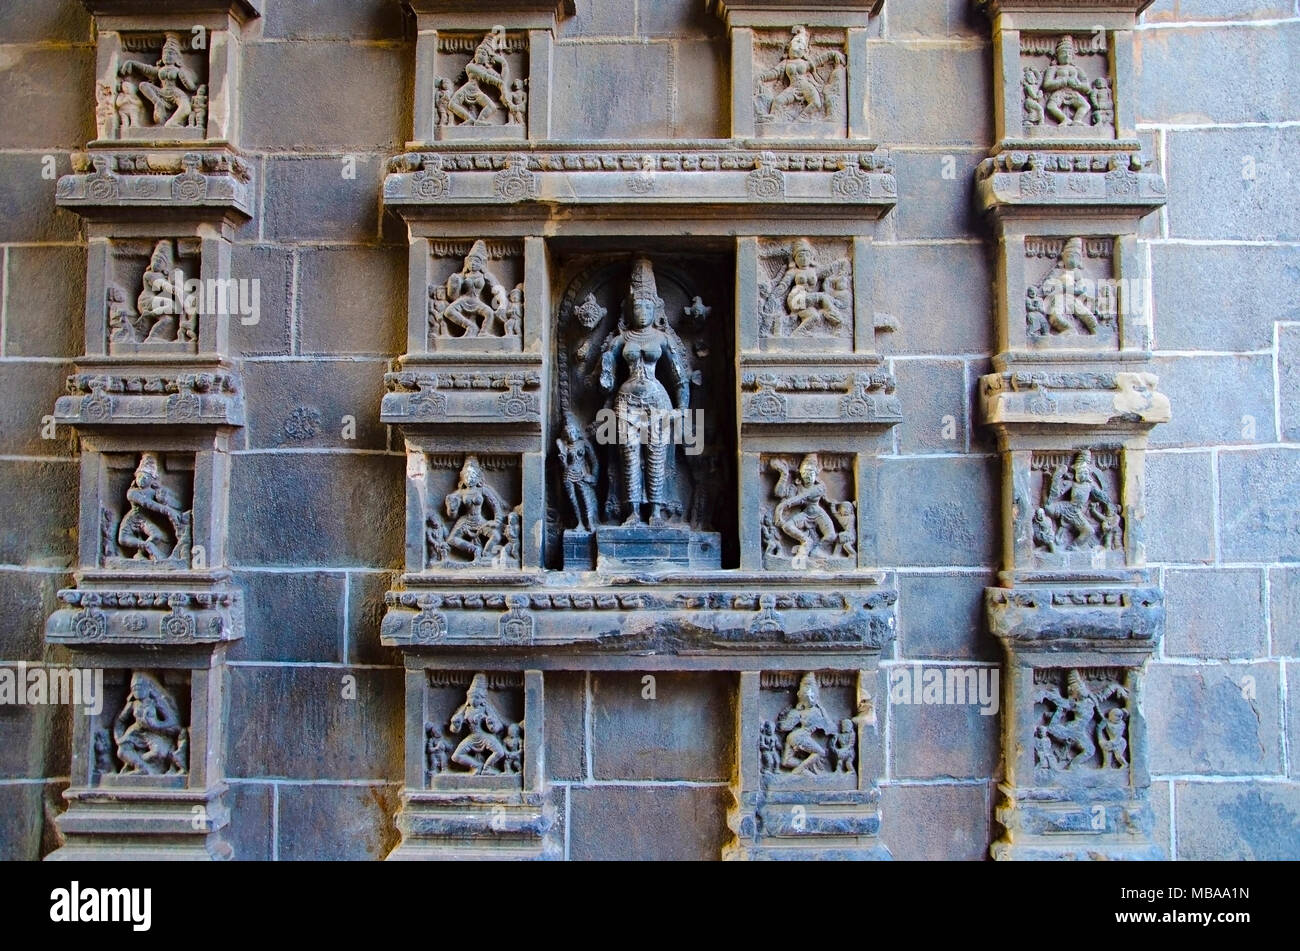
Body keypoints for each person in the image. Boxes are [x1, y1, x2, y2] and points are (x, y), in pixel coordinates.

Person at [596, 257, 694, 526]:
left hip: (657, 400)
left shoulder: (662, 338)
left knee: (655, 456)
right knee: (628, 457)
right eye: (636, 305)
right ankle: (633, 512)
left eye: (646, 305)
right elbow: (606, 371)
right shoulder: (621, 339)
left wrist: (682, 409)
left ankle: (656, 512)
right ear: (629, 309)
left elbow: (680, 379)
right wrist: (606, 368)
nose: (641, 310)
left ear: (655, 308)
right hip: (627, 401)